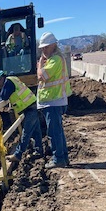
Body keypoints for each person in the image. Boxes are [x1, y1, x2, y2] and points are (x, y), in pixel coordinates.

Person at [0, 70, 43, 162]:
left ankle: (18, 155)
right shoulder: (13, 79)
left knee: (26, 133)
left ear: (1, 78)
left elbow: (4, 96)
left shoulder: (8, 82)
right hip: (32, 106)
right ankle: (39, 151)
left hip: (30, 108)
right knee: (36, 131)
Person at [36, 32, 72, 169]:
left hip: (54, 101)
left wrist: (40, 64)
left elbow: (41, 76)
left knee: (54, 132)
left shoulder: (56, 60)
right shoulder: (53, 60)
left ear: (53, 45)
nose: (43, 50)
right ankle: (63, 157)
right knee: (57, 131)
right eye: (42, 48)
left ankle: (59, 158)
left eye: (45, 47)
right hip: (52, 101)